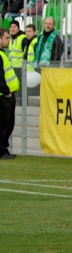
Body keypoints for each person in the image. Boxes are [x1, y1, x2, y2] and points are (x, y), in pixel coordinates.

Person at [0, 28, 19, 160]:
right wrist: (6, 92)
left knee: (8, 124)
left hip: (6, 95)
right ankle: (1, 151)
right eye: (6, 38)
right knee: (4, 124)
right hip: (3, 97)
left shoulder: (3, 54)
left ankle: (3, 149)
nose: (9, 40)